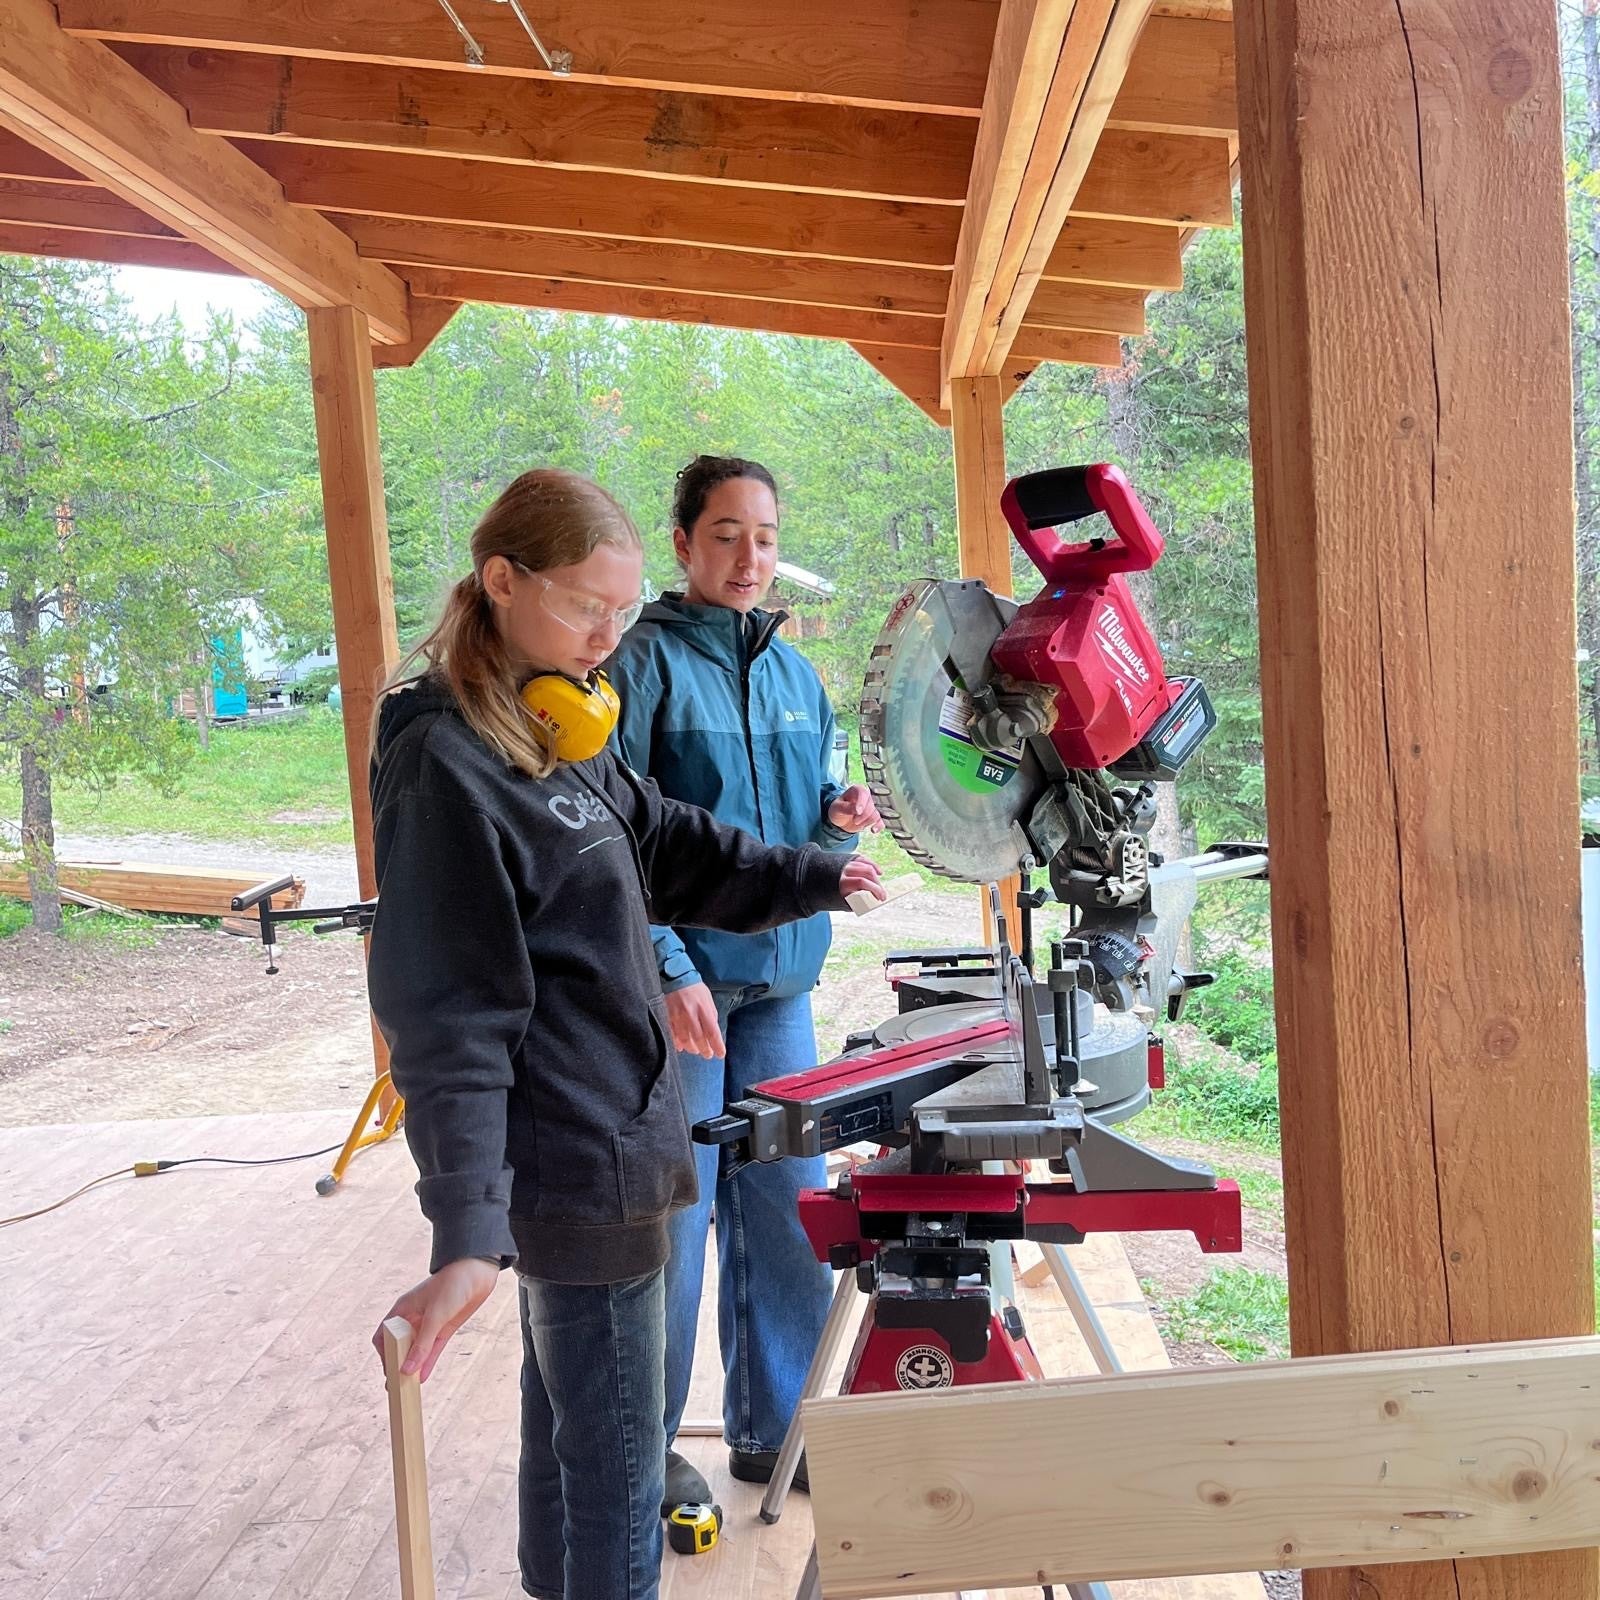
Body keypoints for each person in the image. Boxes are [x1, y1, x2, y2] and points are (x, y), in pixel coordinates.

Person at [364, 468, 884, 1600]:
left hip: (625, 1136)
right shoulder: (448, 763)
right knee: (615, 1476)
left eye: (623, 605)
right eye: (586, 606)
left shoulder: (564, 722)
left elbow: (672, 840)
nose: (609, 635)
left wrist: (815, 874)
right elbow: (448, 1015)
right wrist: (464, 1232)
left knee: (571, 1450)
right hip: (575, 1157)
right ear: (502, 582)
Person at [605, 454, 883, 1506]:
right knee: (673, 1228)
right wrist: (667, 964)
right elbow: (615, 845)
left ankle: (781, 1428)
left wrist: (834, 823)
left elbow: (792, 835)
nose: (748, 556)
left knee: (785, 1212)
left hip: (779, 990)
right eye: (724, 533)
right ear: (680, 543)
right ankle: (646, 1453)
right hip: (678, 995)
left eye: (763, 536)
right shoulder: (636, 668)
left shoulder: (795, 676)